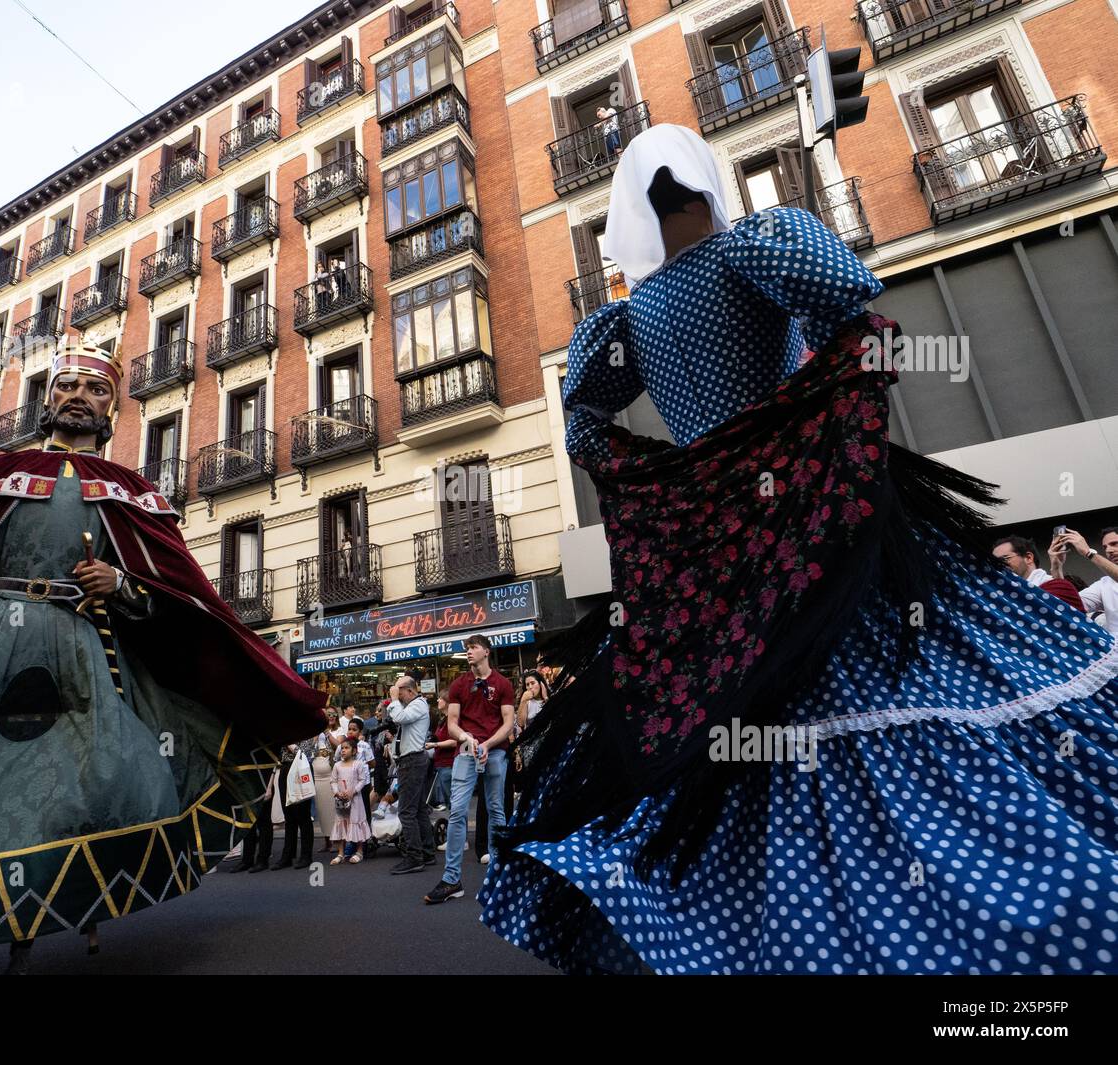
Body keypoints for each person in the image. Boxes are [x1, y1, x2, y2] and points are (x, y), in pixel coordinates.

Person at [478, 125, 1118, 974]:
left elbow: (585, 426)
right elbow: (856, 320)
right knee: (901, 663)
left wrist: (670, 474)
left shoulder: (627, 321)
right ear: (705, 183)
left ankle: (760, 930)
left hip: (714, 547)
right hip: (813, 513)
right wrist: (810, 418)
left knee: (738, 721)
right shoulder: (757, 245)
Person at [0, 341, 325, 973]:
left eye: (95, 390)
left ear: (111, 409)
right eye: (67, 387)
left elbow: (171, 591)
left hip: (83, 651)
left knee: (100, 777)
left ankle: (33, 916)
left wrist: (123, 585)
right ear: (49, 399)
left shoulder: (128, 490)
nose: (78, 398)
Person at [424, 634, 515, 905]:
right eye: (466, 648)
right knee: (458, 813)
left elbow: (508, 723)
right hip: (465, 751)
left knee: (496, 809)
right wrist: (466, 738)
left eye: (473, 647)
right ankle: (452, 879)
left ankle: (498, 873)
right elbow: (452, 723)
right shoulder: (459, 684)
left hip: (496, 750)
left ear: (486, 651)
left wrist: (487, 744)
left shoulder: (503, 683)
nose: (468, 652)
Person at [386, 675, 435, 873]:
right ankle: (427, 852)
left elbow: (399, 717)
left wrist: (393, 699)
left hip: (412, 761)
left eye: (400, 692)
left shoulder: (418, 705)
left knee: (406, 811)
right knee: (419, 809)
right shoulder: (414, 706)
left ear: (409, 690)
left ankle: (414, 857)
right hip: (412, 760)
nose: (399, 696)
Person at [1050, 527, 1118, 635]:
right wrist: (1057, 567)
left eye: (1114, 544)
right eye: (1105, 547)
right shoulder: (1104, 584)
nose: (1108, 550)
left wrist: (1089, 553)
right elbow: (1067, 606)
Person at [991, 535, 1085, 612]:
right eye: (995, 563)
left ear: (1028, 558)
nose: (1000, 565)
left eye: (1004, 559)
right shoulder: (1001, 597)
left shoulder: (1059, 588)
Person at [272, 737, 317, 870]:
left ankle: (306, 856)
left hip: (300, 769)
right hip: (285, 769)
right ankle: (287, 856)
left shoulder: (305, 732)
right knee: (289, 817)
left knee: (303, 817)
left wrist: (287, 743)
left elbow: (303, 753)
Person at [329, 740, 372, 864]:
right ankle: (341, 853)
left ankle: (359, 851)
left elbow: (362, 780)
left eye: (346, 748)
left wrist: (353, 791)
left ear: (354, 751)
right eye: (342, 748)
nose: (343, 750)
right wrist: (337, 792)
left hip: (355, 800)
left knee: (356, 822)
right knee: (341, 823)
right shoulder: (337, 765)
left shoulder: (358, 764)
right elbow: (333, 781)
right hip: (341, 800)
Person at [314, 710, 344, 853]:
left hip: (330, 775)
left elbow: (339, 747)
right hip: (316, 775)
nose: (330, 717)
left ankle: (337, 840)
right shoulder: (315, 731)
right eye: (327, 715)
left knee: (333, 809)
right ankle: (327, 841)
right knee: (321, 809)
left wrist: (326, 731)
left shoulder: (339, 730)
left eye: (332, 714)